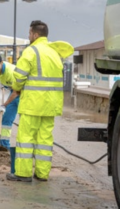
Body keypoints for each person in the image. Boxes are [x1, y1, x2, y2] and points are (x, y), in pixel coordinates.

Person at [7, 20, 73, 182]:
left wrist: (16, 87)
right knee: (45, 140)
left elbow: (19, 77)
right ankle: (42, 174)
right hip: (51, 105)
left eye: (29, 33)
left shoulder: (31, 52)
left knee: (26, 138)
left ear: (35, 35)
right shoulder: (55, 53)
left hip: (32, 105)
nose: (29, 36)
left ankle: (23, 173)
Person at [0, 54, 20, 173]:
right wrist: (4, 87)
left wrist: (4, 105)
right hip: (14, 93)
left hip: (23, 95)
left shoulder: (11, 71)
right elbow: (11, 88)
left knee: (25, 122)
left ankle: (25, 150)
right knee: (6, 120)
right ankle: (4, 146)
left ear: (2, 63)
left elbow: (17, 91)